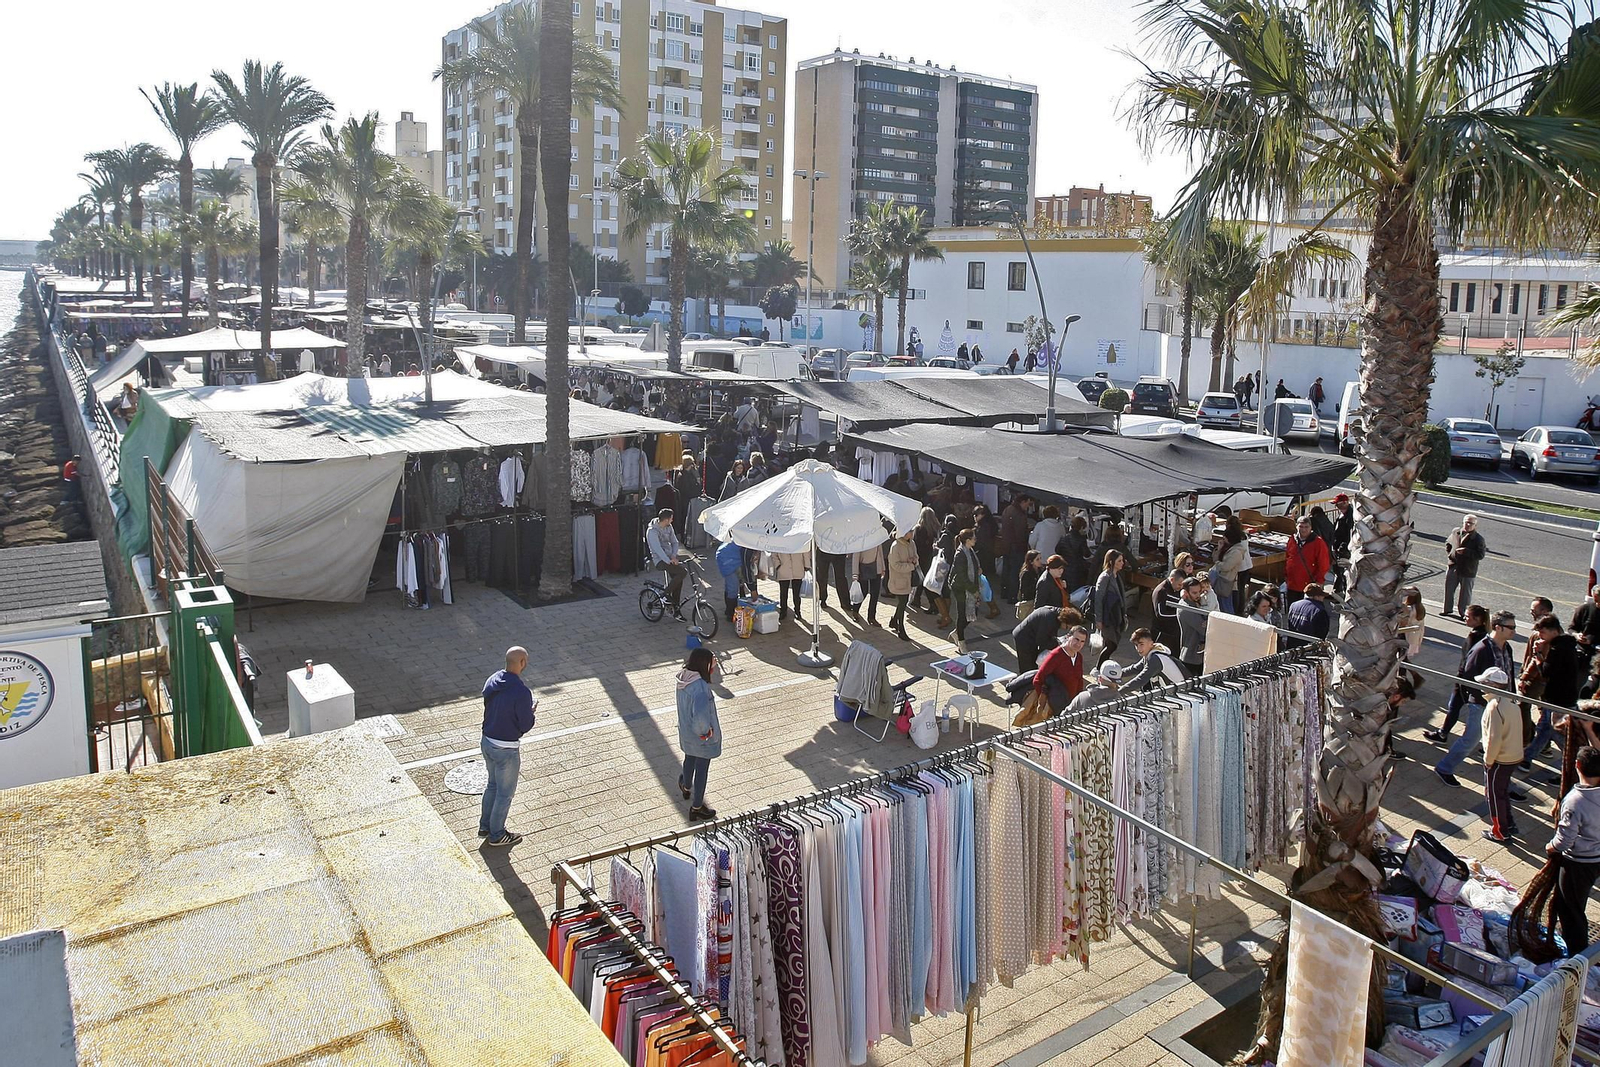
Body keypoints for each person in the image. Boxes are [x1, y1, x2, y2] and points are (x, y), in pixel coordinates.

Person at [1437, 610, 1519, 786]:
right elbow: (1467, 677)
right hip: (1483, 704)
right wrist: (1479, 698)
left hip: (1502, 703)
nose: (1514, 631)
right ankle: (1444, 767)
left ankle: (1501, 781)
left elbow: (1510, 673)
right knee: (1470, 740)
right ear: (1498, 627)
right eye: (1510, 627)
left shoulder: (1507, 647)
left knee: (1498, 741)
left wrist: (1512, 695)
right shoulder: (1481, 649)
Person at [479, 646, 536, 847]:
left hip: (487, 741)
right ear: (522, 663)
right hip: (506, 748)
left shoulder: (493, 680)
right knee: (505, 794)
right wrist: (531, 711)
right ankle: (497, 834)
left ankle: (485, 826)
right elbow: (525, 724)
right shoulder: (521, 692)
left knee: (492, 785)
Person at [1548, 746, 1600, 953]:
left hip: (1578, 862)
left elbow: (1564, 840)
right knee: (1577, 902)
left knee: (1570, 910)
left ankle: (1578, 956)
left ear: (1577, 765)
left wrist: (1551, 846)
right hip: (1596, 858)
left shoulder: (1575, 800)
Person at [1425, 605, 1490, 743]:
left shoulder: (1474, 636)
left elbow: (1467, 660)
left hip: (1465, 679)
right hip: (1474, 679)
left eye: (1467, 616)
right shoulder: (1485, 635)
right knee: (1457, 707)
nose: (1465, 618)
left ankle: (1443, 734)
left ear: (1477, 619)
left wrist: (1460, 678)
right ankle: (1443, 733)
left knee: (1455, 707)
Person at [1524, 614, 1582, 767]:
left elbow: (1546, 672)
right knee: (1544, 729)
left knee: (1557, 733)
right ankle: (1526, 759)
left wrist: (1539, 656)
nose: (1540, 636)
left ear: (1554, 631)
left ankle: (1574, 762)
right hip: (1562, 697)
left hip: (1558, 700)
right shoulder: (1568, 645)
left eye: (1542, 632)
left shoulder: (1557, 649)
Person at [676, 647, 723, 820]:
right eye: (712, 663)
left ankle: (686, 786)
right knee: (702, 770)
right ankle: (697, 807)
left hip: (686, 732)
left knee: (689, 758)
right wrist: (706, 732)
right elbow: (701, 717)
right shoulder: (701, 688)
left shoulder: (683, 679)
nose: (714, 666)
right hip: (701, 738)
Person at [1480, 667, 1521, 841]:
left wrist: (1488, 760)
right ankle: (1509, 823)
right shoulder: (1511, 703)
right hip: (1513, 755)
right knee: (1502, 791)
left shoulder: (1494, 707)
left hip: (1500, 759)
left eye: (1485, 682)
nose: (1481, 685)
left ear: (1494, 686)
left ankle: (1500, 832)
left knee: (1494, 795)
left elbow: (1493, 738)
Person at [1033, 626, 1090, 712]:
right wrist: (1046, 701)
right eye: (1076, 639)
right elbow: (1038, 679)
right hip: (1055, 706)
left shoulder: (1079, 657)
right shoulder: (1056, 655)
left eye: (1082, 641)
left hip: (1071, 705)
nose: (1078, 644)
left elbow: (1079, 680)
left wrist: (1078, 701)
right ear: (1068, 637)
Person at [647, 509, 689, 617]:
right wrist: (668, 560)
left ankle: (675, 607)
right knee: (683, 572)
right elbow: (657, 549)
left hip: (670, 557)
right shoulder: (652, 531)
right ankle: (665, 595)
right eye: (671, 518)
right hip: (660, 560)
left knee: (678, 579)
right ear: (666, 520)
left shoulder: (669, 527)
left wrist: (674, 555)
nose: (672, 520)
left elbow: (674, 542)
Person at [1442, 514, 1487, 617]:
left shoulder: (1478, 539)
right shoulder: (1456, 532)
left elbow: (1480, 555)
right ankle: (1447, 609)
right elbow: (1448, 543)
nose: (1468, 525)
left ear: (1475, 525)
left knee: (1465, 594)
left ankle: (1464, 613)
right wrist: (1450, 554)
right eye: (1466, 522)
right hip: (1453, 566)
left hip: (1468, 570)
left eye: (1471, 523)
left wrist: (1466, 552)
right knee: (1449, 590)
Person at [1284, 515, 1331, 607]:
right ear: (1296, 526)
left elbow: (1324, 564)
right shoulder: (1292, 539)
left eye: (1306, 527)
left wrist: (1319, 582)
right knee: (1292, 609)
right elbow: (1288, 557)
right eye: (1301, 526)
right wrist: (1286, 575)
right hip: (1292, 584)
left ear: (1311, 527)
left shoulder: (1318, 542)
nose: (1303, 529)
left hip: (1309, 585)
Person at [1014, 606, 1078, 674]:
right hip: (1024, 638)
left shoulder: (1055, 615)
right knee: (1027, 666)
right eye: (1067, 627)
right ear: (1064, 620)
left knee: (1033, 663)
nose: (1065, 629)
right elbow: (1042, 641)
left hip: (1030, 635)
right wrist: (1057, 644)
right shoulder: (1049, 620)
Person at [1120, 628, 1189, 690]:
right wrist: (1115, 673)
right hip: (1171, 693)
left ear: (1151, 644)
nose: (1138, 648)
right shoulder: (1150, 655)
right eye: (1136, 645)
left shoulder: (1155, 659)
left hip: (1182, 694)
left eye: (1141, 644)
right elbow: (1134, 669)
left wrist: (1120, 692)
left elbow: (1140, 680)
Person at [948, 527, 982, 653]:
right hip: (960, 588)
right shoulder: (960, 554)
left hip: (969, 586)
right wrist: (973, 590)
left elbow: (973, 566)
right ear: (968, 540)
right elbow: (962, 576)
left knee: (973, 612)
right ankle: (961, 642)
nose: (975, 540)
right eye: (974, 538)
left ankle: (957, 632)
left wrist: (978, 570)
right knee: (962, 615)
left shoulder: (970, 550)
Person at [1093, 549, 1128, 668]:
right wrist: (1098, 619)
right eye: (1119, 561)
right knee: (1111, 644)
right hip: (1107, 616)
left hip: (1116, 615)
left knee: (1111, 643)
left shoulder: (1116, 576)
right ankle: (1099, 667)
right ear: (1112, 562)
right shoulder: (1105, 577)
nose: (1122, 563)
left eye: (1122, 560)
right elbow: (1098, 598)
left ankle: (1103, 665)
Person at [999, 494, 1033, 602]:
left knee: (1006, 570)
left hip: (1006, 545)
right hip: (1017, 547)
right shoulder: (1019, 514)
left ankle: (1004, 592)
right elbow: (1020, 533)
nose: (1028, 506)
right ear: (1022, 502)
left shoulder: (1008, 509)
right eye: (1028, 503)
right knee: (1014, 571)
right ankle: (1012, 596)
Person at [886, 528, 918, 641]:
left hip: (908, 580)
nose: (912, 532)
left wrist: (914, 560)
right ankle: (901, 628)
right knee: (903, 603)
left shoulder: (912, 543)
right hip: (899, 580)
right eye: (910, 531)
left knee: (902, 603)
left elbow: (916, 556)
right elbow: (895, 565)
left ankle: (894, 621)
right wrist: (911, 566)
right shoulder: (895, 546)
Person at [972, 504, 1002, 619]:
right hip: (985, 557)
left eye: (976, 515)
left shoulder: (984, 527)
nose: (974, 517)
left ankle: (993, 608)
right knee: (981, 584)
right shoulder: (988, 525)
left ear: (982, 515)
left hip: (982, 558)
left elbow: (981, 543)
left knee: (982, 585)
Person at [1176, 577, 1210, 672]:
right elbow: (1204, 630)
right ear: (1186, 592)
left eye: (1199, 591)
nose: (1198, 595)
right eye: (1194, 593)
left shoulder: (1194, 602)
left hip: (1198, 655)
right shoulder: (1186, 609)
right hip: (1192, 656)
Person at [1212, 529, 1250, 615]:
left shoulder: (1236, 552)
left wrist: (1217, 563)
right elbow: (1215, 558)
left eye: (1224, 539)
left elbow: (1226, 567)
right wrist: (1219, 549)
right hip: (1221, 579)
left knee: (1226, 606)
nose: (1223, 540)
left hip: (1226, 581)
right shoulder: (1228, 548)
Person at [912, 507, 941, 616]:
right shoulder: (935, 528)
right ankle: (917, 599)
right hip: (931, 558)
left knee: (924, 581)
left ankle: (933, 604)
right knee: (924, 579)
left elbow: (915, 544)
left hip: (920, 557)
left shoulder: (919, 529)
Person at [1396, 587, 1426, 690]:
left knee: (1402, 659)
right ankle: (1413, 677)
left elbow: (1402, 623)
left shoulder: (1408, 609)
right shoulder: (1421, 608)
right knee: (1403, 658)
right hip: (1414, 637)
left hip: (1405, 636)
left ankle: (1407, 680)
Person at [853, 537, 885, 626]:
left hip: (876, 567)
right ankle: (855, 610)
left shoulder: (877, 537)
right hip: (863, 568)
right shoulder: (860, 538)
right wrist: (855, 574)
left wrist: (883, 567)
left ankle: (872, 617)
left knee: (875, 594)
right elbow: (856, 557)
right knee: (863, 591)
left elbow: (880, 552)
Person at [1150, 568, 1184, 650]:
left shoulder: (1173, 588)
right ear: (1172, 580)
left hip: (1172, 632)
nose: (1181, 587)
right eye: (1179, 585)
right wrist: (1179, 614)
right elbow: (1160, 614)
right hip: (1161, 633)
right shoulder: (1161, 591)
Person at [772, 549, 807, 624]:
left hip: (797, 567)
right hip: (783, 568)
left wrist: (806, 564)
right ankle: (783, 611)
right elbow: (774, 551)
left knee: (797, 593)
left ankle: (797, 611)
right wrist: (777, 565)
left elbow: (805, 550)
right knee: (783, 593)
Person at [1060, 515, 1093, 593]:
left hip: (1066, 568)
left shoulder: (1065, 538)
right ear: (1081, 527)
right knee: (1076, 592)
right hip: (1078, 570)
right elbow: (1087, 554)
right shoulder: (1081, 539)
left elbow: (1057, 549)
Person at [1015, 551, 1046, 618]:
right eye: (1037, 559)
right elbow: (1024, 590)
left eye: (1040, 558)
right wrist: (1037, 585)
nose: (1040, 561)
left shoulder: (1041, 571)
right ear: (1031, 562)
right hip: (1030, 601)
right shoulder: (1026, 573)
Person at [1574, 585, 1600, 650]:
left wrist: (1591, 639)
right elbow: (1572, 628)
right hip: (1584, 647)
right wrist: (1577, 635)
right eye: (1596, 600)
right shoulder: (1584, 609)